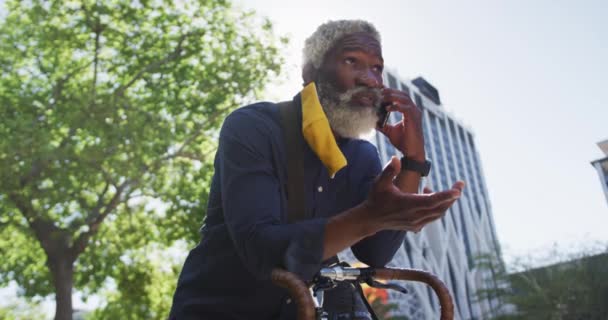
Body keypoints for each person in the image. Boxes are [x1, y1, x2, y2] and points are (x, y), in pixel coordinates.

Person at [169, 20, 464, 319]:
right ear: (310, 71)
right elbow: (260, 248)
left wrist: (413, 159)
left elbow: (375, 253)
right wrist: (369, 216)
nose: (371, 80)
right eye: (353, 62)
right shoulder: (254, 126)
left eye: (377, 68)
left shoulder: (363, 155)